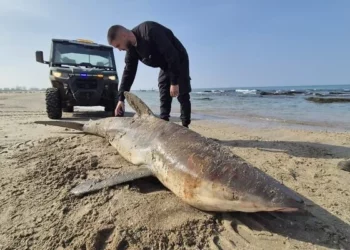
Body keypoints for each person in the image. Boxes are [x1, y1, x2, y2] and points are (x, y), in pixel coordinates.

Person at [107, 21, 192, 128]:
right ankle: (164, 123)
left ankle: (185, 126)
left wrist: (174, 82)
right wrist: (121, 99)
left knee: (182, 92)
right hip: (164, 64)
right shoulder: (131, 50)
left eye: (118, 45)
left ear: (124, 35)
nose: (119, 50)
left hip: (178, 58)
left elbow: (172, 54)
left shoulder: (150, 31)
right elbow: (128, 74)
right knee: (163, 89)